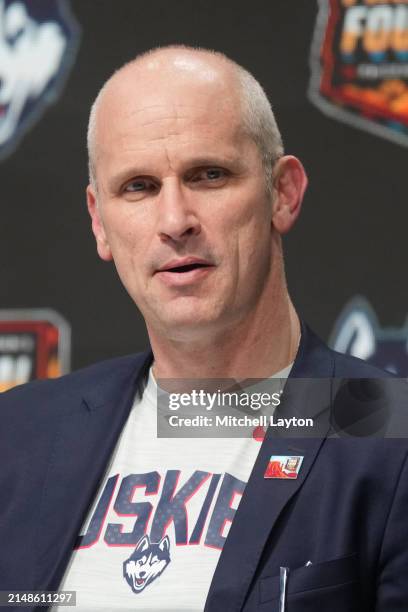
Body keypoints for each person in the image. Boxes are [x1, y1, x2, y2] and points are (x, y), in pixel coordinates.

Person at [1, 45, 407, 612]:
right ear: (99, 221)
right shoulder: (18, 435)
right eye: (138, 187)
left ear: (282, 193)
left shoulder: (388, 431)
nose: (175, 222)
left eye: (209, 175)